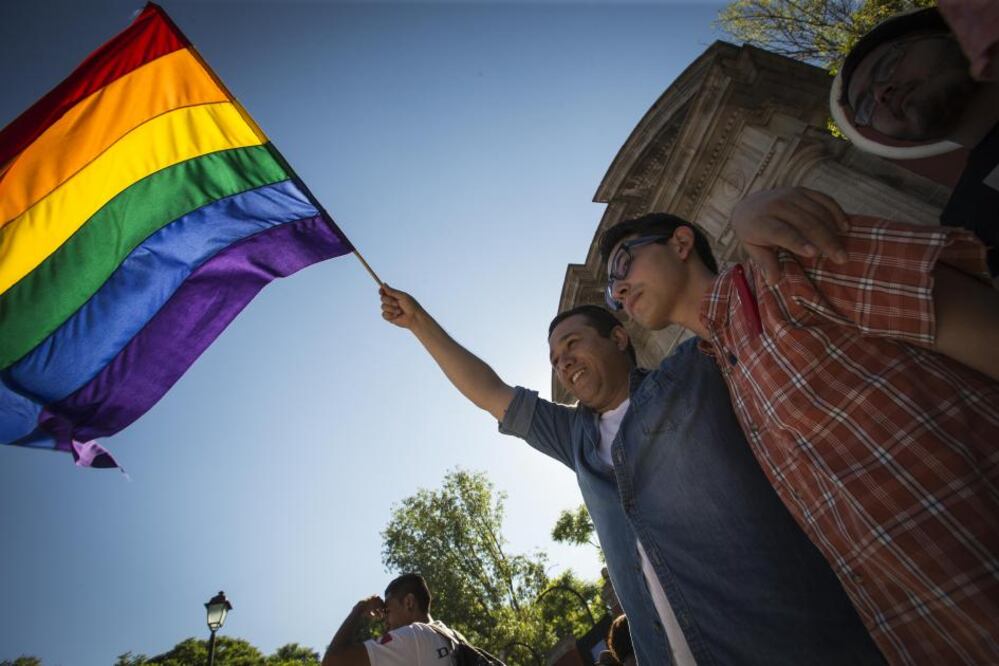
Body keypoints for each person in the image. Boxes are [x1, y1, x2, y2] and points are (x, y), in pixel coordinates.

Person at [380, 284, 884, 664]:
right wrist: (419, 321)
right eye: (554, 359)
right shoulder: (573, 436)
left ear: (619, 337)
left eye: (573, 343)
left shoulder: (690, 374)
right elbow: (489, 391)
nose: (563, 361)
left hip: (792, 643)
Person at [601, 211, 999, 664]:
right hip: (936, 633)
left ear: (680, 242)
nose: (619, 290)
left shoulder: (785, 271)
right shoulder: (722, 382)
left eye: (622, 264)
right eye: (611, 293)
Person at [830, 6, 999, 275]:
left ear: (952, 33)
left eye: (887, 65)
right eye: (865, 107)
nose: (880, 94)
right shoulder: (966, 226)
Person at [322, 573, 470, 666]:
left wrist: (359, 609)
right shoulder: (455, 637)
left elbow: (332, 662)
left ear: (409, 603)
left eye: (387, 611)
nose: (385, 622)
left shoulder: (414, 636)